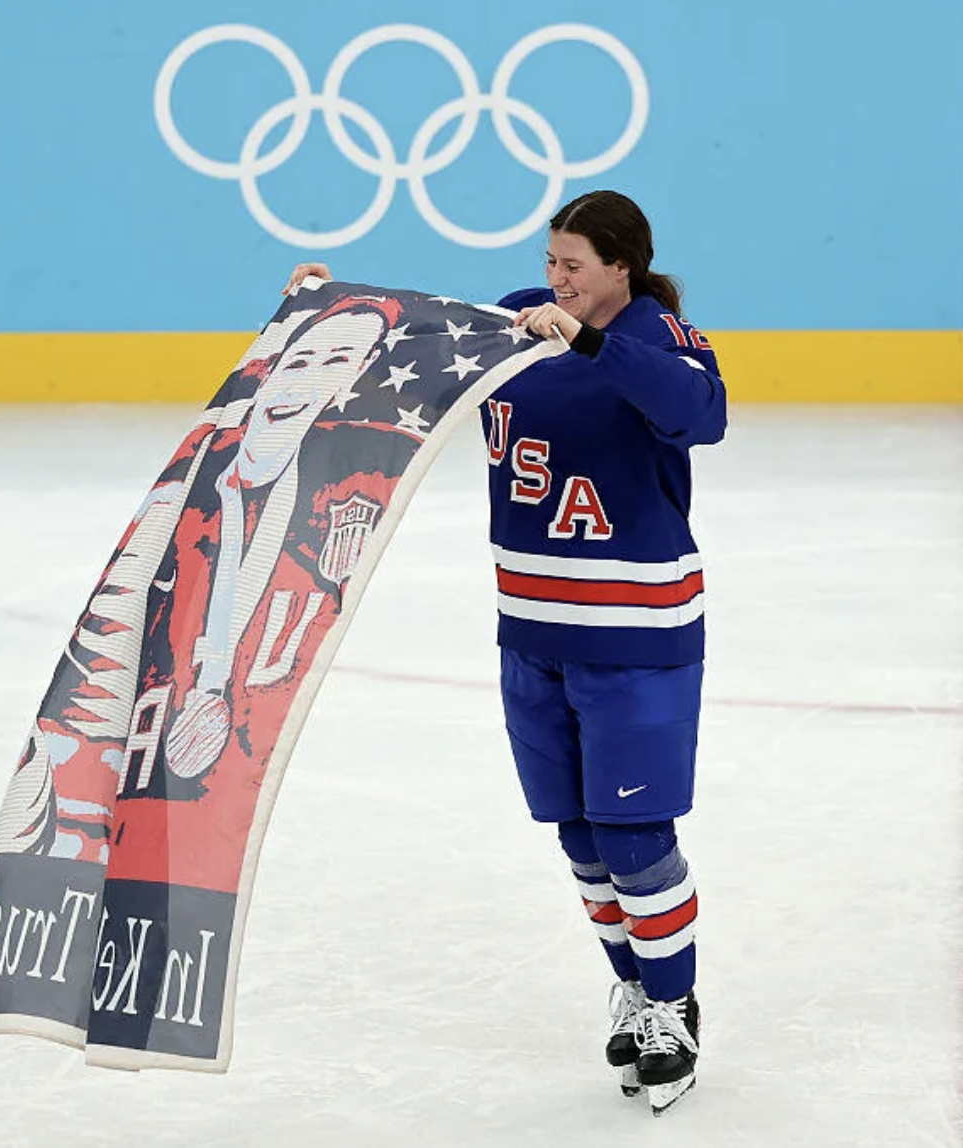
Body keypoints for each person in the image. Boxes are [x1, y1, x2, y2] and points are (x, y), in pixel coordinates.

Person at [283, 189, 728, 1115]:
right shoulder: (518, 320)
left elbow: (701, 414)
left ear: (621, 270)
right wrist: (326, 307)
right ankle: (635, 986)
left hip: (635, 634)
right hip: (530, 629)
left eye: (574, 264)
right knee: (577, 836)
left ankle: (673, 1002)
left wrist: (591, 342)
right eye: (551, 259)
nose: (555, 277)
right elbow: (414, 351)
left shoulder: (658, 337)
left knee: (636, 837)